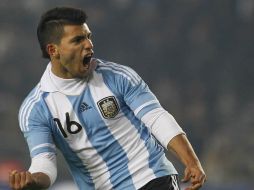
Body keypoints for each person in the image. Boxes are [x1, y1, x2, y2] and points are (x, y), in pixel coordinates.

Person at [9, 6, 206, 190]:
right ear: (53, 50)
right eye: (78, 40)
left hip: (151, 177)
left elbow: (156, 118)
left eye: (88, 37)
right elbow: (44, 162)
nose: (89, 45)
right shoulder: (35, 109)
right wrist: (33, 182)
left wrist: (191, 161)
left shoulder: (117, 76)